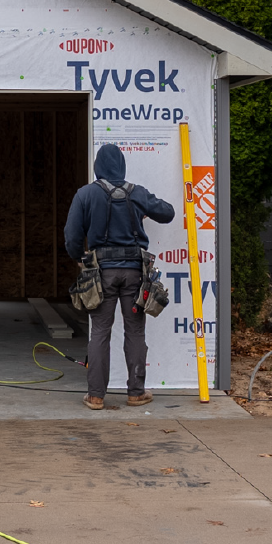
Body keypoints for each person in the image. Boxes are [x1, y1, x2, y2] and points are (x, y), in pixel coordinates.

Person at [63, 143, 175, 410]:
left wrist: (80, 258)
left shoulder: (86, 194)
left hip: (101, 274)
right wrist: (143, 210)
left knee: (100, 331)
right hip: (135, 274)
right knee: (134, 331)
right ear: (122, 166)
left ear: (97, 167)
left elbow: (71, 236)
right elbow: (168, 213)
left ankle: (96, 396)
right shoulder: (136, 193)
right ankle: (136, 392)